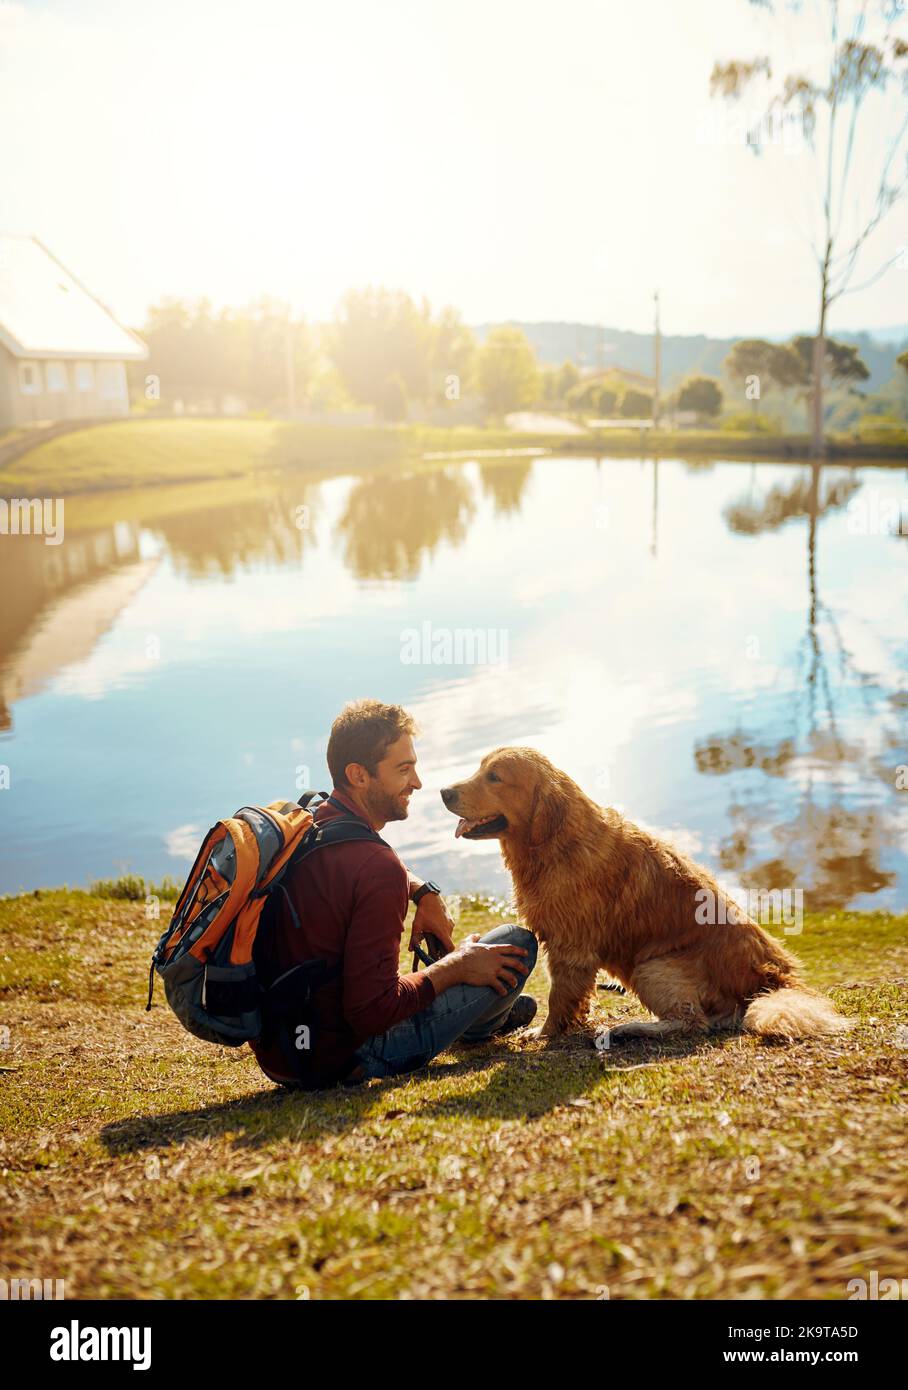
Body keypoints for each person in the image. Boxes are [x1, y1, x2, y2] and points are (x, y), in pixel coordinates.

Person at [249, 699, 538, 1088]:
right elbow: (372, 1012)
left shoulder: (308, 817)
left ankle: (481, 1013)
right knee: (515, 943)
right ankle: (478, 1023)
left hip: (281, 1053)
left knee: (486, 966)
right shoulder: (375, 866)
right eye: (404, 770)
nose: (417, 783)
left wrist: (424, 893)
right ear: (359, 775)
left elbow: (365, 859)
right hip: (347, 1057)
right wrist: (457, 967)